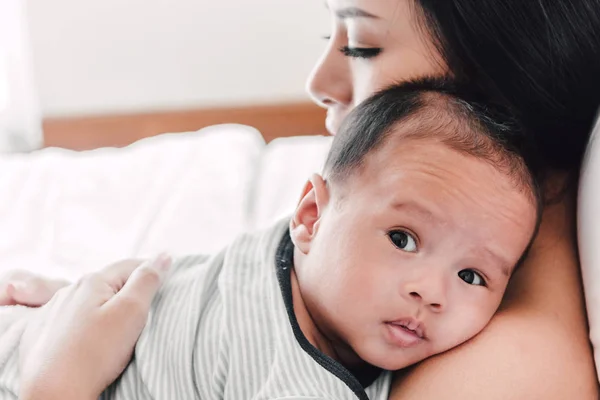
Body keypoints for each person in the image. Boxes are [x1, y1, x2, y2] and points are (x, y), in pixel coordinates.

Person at [2, 0, 600, 398]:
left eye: (362, 46)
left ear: (503, 79)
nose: (317, 82)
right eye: (402, 240)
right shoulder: (338, 266)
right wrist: (98, 312)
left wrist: (57, 381)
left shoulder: (507, 369)